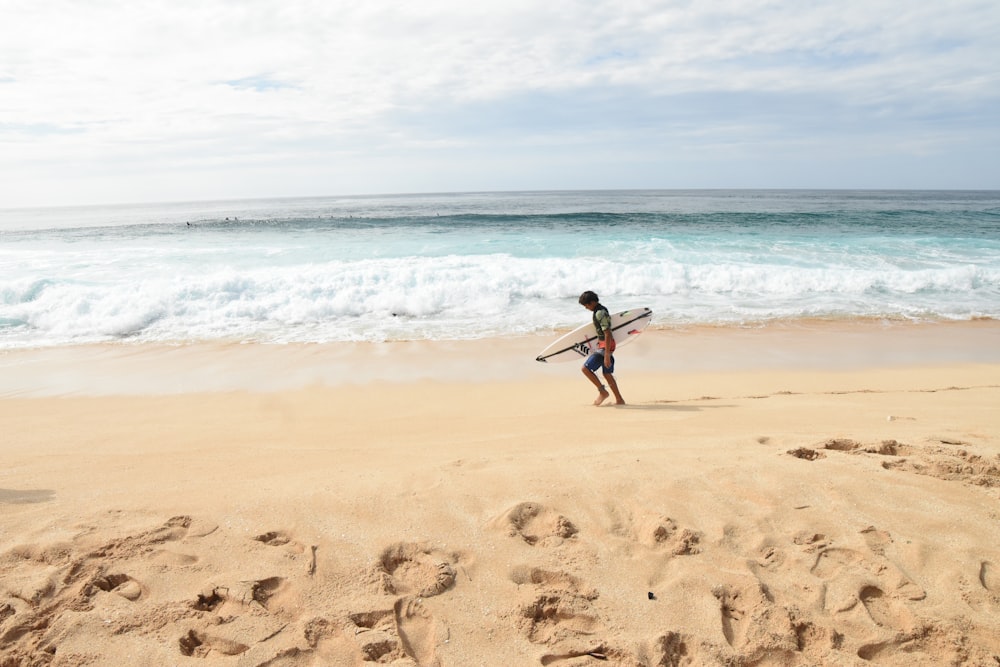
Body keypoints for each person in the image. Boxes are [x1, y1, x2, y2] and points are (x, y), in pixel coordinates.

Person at [578, 291, 625, 406]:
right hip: (605, 345)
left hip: (606, 346)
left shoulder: (600, 313)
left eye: (587, 305)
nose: (586, 307)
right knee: (607, 374)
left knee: (585, 369)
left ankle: (602, 392)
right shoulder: (600, 310)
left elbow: (607, 333)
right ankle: (619, 400)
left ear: (593, 302)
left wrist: (607, 355)